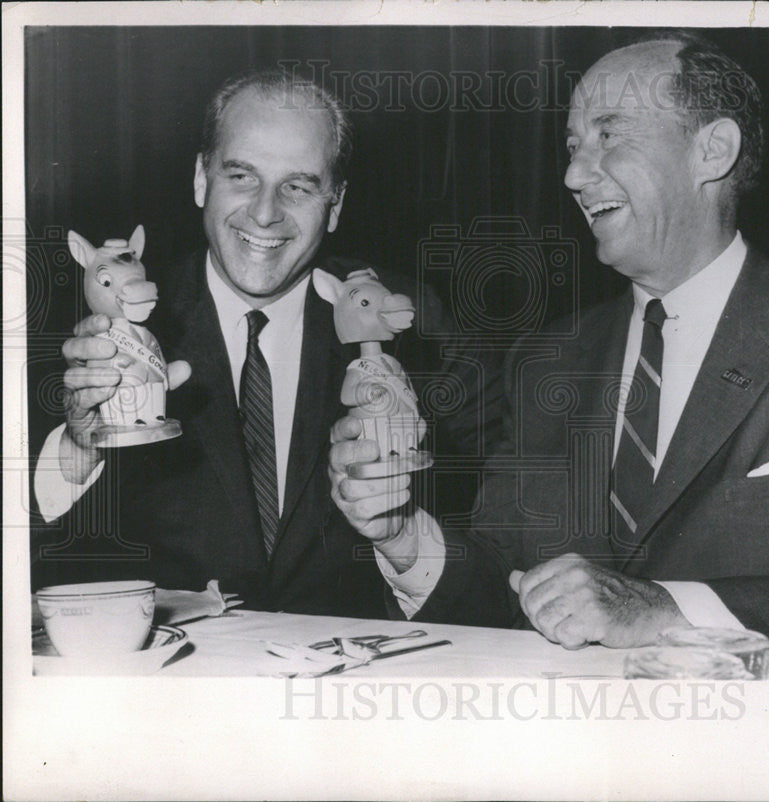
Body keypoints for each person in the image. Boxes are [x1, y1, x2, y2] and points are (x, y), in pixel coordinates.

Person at [331, 33, 769, 647]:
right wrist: (401, 534)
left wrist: (665, 610)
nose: (573, 173)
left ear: (713, 150)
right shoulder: (547, 359)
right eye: (572, 146)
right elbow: (505, 589)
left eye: (608, 135)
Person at [31, 70, 499, 615]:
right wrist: (78, 448)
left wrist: (400, 535)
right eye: (242, 176)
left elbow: (490, 561)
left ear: (336, 203)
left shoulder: (412, 326)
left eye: (298, 186)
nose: (265, 212)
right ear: (202, 178)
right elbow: (28, 560)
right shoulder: (91, 329)